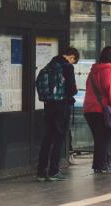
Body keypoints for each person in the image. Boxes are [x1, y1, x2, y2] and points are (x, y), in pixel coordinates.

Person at [36, 47, 79, 182]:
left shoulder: (50, 65)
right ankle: (54, 171)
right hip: (62, 106)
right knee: (59, 138)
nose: (73, 63)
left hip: (49, 106)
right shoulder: (67, 67)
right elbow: (72, 90)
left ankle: (41, 172)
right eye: (74, 61)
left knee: (47, 138)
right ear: (71, 56)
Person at [83, 46, 111, 174]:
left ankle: (103, 163)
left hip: (90, 109)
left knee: (100, 138)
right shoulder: (110, 70)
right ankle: (103, 164)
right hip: (102, 110)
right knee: (107, 137)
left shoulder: (94, 70)